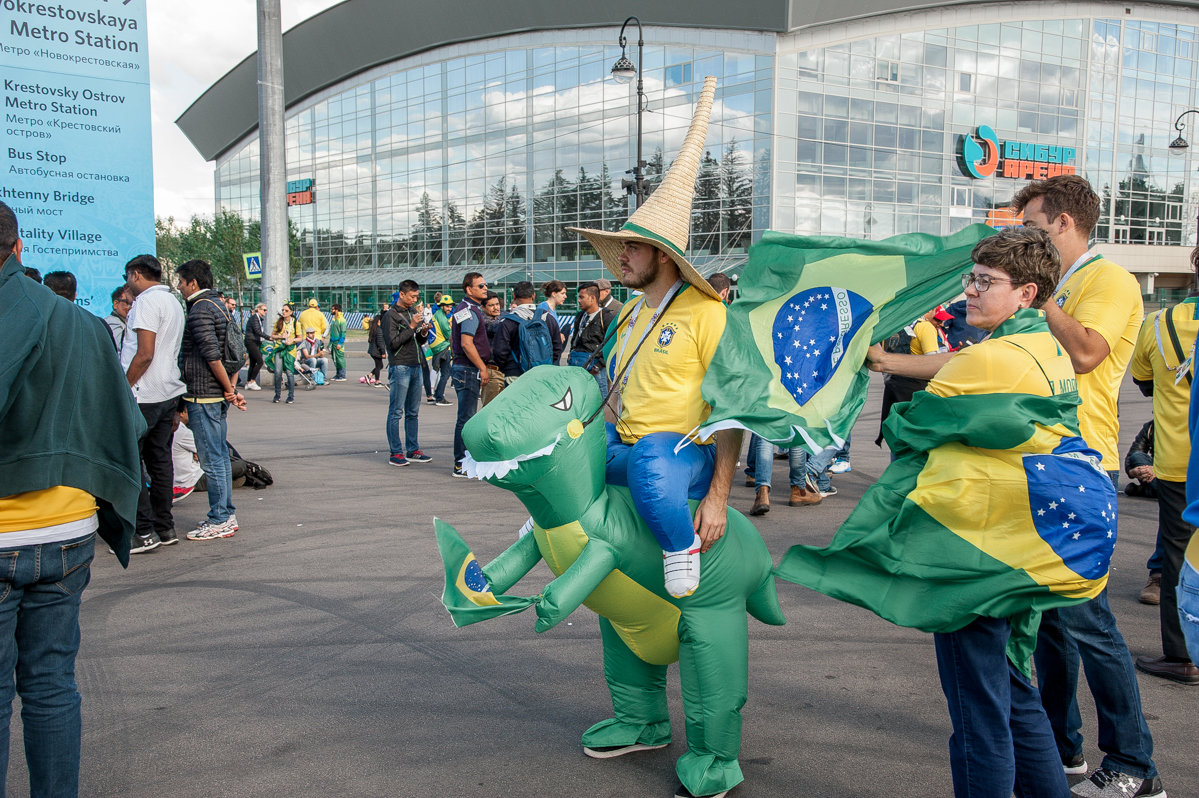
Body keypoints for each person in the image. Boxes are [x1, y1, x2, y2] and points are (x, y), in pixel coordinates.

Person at [852, 227, 1104, 798]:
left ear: (1026, 292)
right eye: (972, 278)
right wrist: (887, 358)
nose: (970, 291)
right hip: (1026, 550)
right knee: (1015, 695)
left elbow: (907, 430)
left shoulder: (994, 359)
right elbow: (958, 365)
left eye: (986, 282)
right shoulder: (1040, 344)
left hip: (978, 555)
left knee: (978, 713)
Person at [1015, 175, 1161, 797]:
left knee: (1087, 621)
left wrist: (1039, 296)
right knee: (1051, 623)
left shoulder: (1108, 279)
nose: (1027, 240)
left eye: (1034, 229)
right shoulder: (1073, 281)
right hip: (1045, 459)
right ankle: (1061, 748)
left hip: (1083, 463)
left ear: (1065, 224)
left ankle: (1135, 766)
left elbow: (1086, 353)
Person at [567, 75, 739, 604]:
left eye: (631, 248)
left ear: (662, 255)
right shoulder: (628, 313)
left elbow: (735, 409)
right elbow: (618, 398)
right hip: (631, 448)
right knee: (568, 448)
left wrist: (718, 497)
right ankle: (549, 531)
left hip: (682, 456)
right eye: (618, 246)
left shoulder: (708, 313)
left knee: (651, 462)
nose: (620, 257)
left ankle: (678, 545)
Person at [0, 200, 144, 797]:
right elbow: (122, 421)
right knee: (53, 683)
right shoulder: (82, 324)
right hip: (68, 531)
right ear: (18, 248)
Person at [1128, 245, 1199, 685]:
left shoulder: (1160, 323)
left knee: (1178, 557)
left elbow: (1142, 381)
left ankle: (1182, 654)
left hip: (1179, 462)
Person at [175, 259, 247, 541]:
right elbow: (238, 351)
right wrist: (229, 387)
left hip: (203, 394)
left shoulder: (200, 309)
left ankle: (220, 517)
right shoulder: (219, 305)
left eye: (181, 282)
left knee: (212, 459)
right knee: (219, 456)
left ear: (193, 283)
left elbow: (212, 354)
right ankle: (225, 514)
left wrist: (227, 389)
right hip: (215, 393)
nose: (179, 287)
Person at [121, 253, 187, 553]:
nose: (127, 286)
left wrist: (124, 385)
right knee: (160, 462)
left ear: (136, 274)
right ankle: (165, 527)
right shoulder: (173, 301)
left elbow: (144, 353)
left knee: (130, 462)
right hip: (167, 393)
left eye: (127, 279)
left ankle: (143, 531)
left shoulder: (146, 302)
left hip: (142, 394)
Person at [384, 279, 433, 467]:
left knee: (413, 412)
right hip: (400, 366)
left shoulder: (412, 312)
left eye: (417, 296)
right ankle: (395, 452)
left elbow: (419, 342)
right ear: (402, 294)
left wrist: (423, 332)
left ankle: (413, 449)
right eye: (412, 296)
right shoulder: (391, 315)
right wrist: (412, 327)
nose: (415, 300)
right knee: (396, 411)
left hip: (416, 364)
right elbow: (393, 343)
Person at [450, 272, 493, 477]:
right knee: (466, 418)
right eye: (481, 286)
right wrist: (482, 368)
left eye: (485, 285)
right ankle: (461, 464)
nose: (485, 288)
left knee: (466, 417)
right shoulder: (468, 310)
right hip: (467, 368)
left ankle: (463, 461)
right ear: (469, 289)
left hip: (464, 368)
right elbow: (466, 343)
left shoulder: (468, 309)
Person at [492, 280, 563, 385]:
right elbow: (557, 347)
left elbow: (499, 352)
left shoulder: (507, 321)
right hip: (543, 374)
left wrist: (508, 367)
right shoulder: (548, 318)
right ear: (533, 296)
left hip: (515, 374)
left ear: (514, 295)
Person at [568, 282, 617, 398]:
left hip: (596, 371)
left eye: (581, 297)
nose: (578, 300)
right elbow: (575, 338)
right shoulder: (580, 316)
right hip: (577, 366)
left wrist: (598, 366)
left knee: (599, 401)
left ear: (592, 298)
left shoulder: (606, 317)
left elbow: (612, 345)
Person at [267, 305, 301, 404]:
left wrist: (292, 340)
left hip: (290, 350)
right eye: (283, 310)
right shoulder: (279, 322)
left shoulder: (295, 323)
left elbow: (300, 338)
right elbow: (272, 336)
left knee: (290, 372)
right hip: (279, 348)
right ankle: (277, 394)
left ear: (291, 312)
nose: (284, 312)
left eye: (286, 310)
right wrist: (280, 336)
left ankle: (291, 396)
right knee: (277, 371)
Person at [481, 292, 507, 407]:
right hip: (492, 371)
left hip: (505, 371)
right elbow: (496, 326)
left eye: (497, 304)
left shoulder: (502, 317)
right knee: (489, 408)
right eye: (491, 305)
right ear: (483, 308)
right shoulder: (483, 321)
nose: (496, 307)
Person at [428, 295, 454, 404]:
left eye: (450, 307)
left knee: (441, 372)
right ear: (442, 306)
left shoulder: (437, 314)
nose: (449, 309)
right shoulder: (442, 318)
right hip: (442, 347)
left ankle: (436, 395)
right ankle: (439, 397)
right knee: (446, 373)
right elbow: (449, 334)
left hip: (437, 347)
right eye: (447, 307)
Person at [243, 303, 268, 391]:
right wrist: (268, 337)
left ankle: (248, 382)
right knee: (260, 361)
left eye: (266, 310)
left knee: (253, 363)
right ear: (258, 309)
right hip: (251, 341)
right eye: (264, 310)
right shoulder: (254, 318)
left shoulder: (258, 319)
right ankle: (252, 381)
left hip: (254, 342)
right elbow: (257, 331)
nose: (265, 312)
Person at [364, 304, 388, 386]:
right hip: (376, 351)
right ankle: (377, 381)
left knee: (380, 365)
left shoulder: (374, 329)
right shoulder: (379, 330)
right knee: (379, 366)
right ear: (378, 322)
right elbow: (380, 342)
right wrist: (383, 352)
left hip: (373, 350)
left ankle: (369, 376)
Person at [104, 284, 133, 351]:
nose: (131, 307)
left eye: (133, 303)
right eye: (127, 302)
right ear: (116, 304)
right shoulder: (112, 323)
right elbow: (120, 347)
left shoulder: (126, 321)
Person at [329, 303, 348, 381]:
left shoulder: (342, 320)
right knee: (335, 358)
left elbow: (343, 333)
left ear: (337, 310)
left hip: (338, 342)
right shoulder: (334, 319)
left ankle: (342, 375)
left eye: (333, 309)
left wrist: (340, 343)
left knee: (340, 359)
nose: (331, 310)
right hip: (333, 342)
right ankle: (338, 374)